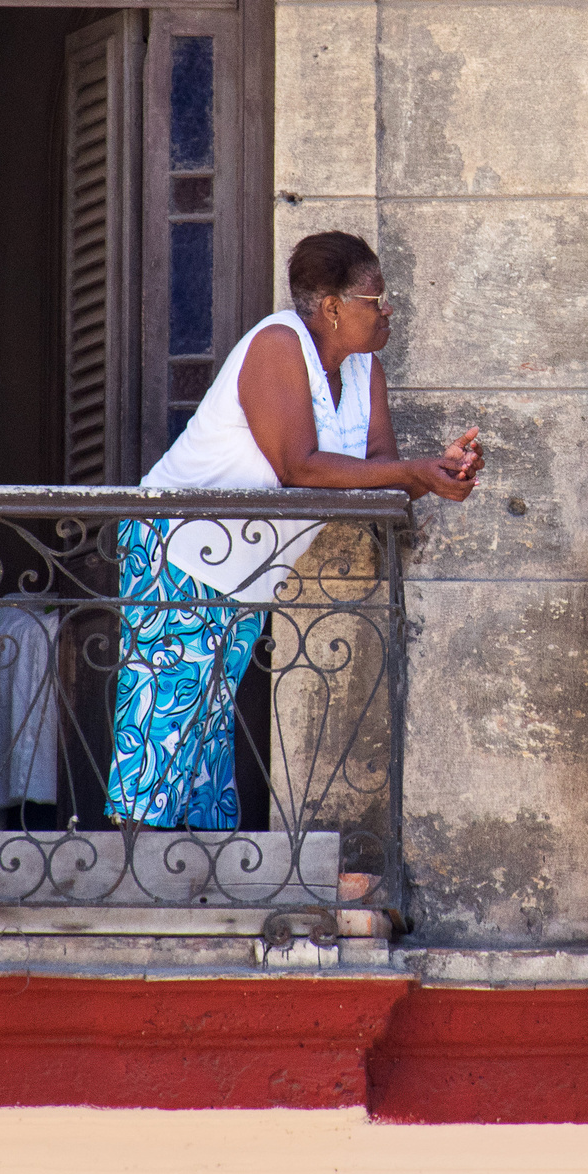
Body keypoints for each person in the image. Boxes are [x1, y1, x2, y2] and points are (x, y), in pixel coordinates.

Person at [107, 230, 482, 828]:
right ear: (332, 307)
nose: (388, 311)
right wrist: (415, 471)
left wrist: (438, 472)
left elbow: (378, 478)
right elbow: (298, 466)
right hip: (179, 546)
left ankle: (198, 879)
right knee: (162, 726)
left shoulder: (365, 370)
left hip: (243, 567)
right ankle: (132, 877)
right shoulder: (280, 344)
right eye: (375, 299)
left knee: (206, 728)